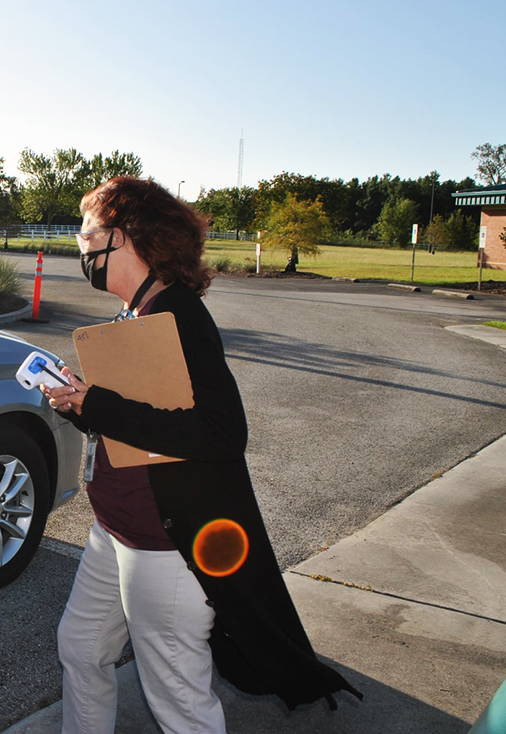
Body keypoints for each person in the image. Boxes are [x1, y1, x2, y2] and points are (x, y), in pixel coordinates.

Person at [42, 177, 359, 733]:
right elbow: (143, 420)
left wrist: (102, 406)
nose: (82, 246)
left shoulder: (179, 314)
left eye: (88, 232)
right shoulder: (137, 311)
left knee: (179, 704)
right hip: (115, 532)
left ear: (126, 237)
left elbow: (219, 433)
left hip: (164, 548)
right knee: (81, 649)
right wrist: (80, 406)